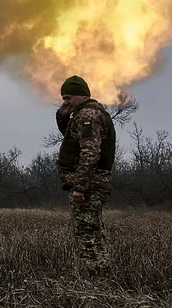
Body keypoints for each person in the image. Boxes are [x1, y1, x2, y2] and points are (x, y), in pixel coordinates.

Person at [56, 75, 116, 277]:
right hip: (94, 184)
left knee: (87, 234)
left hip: (89, 187)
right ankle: (103, 277)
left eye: (69, 97)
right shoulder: (87, 113)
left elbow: (89, 153)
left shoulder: (87, 115)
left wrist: (80, 187)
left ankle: (99, 281)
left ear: (83, 95)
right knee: (92, 231)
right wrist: (63, 117)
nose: (66, 101)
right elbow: (73, 139)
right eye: (63, 98)